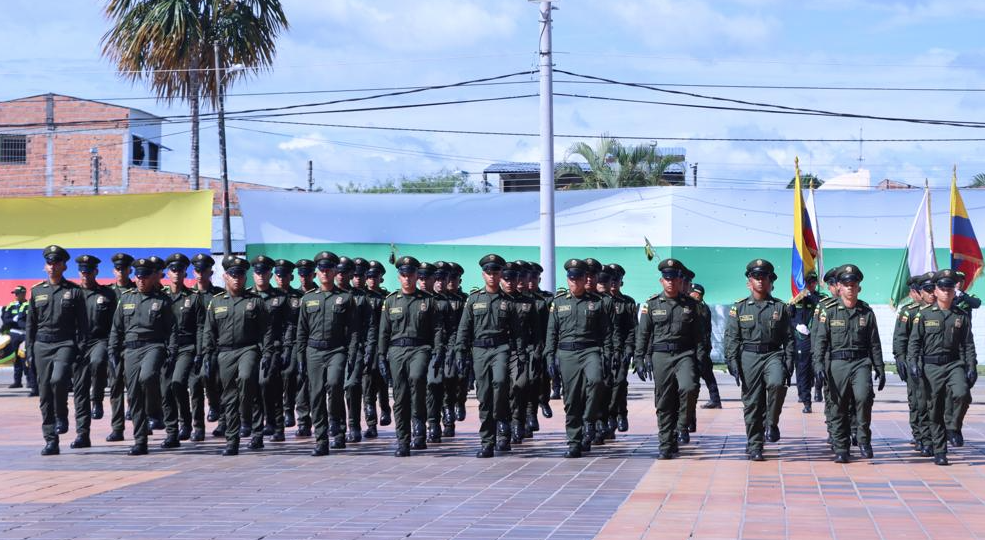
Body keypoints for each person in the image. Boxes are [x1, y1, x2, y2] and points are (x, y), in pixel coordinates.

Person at [201, 255, 275, 456]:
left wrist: (267, 353)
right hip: (225, 353)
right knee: (230, 397)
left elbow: (267, 330)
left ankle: (253, 428)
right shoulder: (217, 302)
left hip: (248, 349)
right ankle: (232, 441)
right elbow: (209, 331)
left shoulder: (255, 301)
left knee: (246, 379)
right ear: (225, 276)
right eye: (233, 275)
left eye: (240, 275)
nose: (237, 279)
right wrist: (207, 355)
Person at [633, 259, 706, 458]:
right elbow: (643, 334)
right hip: (661, 356)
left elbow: (700, 336)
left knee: (689, 387)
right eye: (667, 278)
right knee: (664, 400)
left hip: (684, 354)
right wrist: (639, 358)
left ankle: (682, 426)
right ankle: (666, 443)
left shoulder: (691, 305)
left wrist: (700, 358)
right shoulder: (652, 304)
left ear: (680, 280)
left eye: (674, 278)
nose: (671, 282)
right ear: (661, 281)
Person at [723, 259, 794, 461]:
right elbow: (731, 337)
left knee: (777, 383)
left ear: (770, 281)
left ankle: (771, 423)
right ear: (749, 282)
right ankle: (755, 444)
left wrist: (789, 362)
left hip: (773, 354)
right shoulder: (739, 308)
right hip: (749, 357)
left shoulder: (780, 307)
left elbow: (789, 338)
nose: (760, 281)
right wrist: (732, 361)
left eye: (764, 277)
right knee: (752, 403)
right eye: (756, 277)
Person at [813, 265, 884, 462]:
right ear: (839, 287)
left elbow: (874, 343)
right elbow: (820, 341)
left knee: (863, 398)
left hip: (861, 362)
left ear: (859, 287)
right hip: (837, 363)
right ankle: (841, 446)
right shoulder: (829, 311)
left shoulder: (866, 312)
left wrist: (879, 367)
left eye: (853, 284)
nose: (850, 288)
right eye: (846, 284)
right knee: (838, 406)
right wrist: (818, 365)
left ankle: (863, 439)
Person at [544, 259, 615, 458]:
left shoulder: (597, 302)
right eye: (571, 278)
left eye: (578, 278)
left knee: (597, 381)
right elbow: (551, 333)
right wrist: (550, 357)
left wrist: (607, 355)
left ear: (585, 279)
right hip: (567, 354)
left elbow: (606, 333)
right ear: (568, 279)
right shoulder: (558, 303)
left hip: (590, 350)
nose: (574, 282)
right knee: (572, 398)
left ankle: (589, 419)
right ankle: (574, 442)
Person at [108, 257, 178, 456]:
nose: (141, 280)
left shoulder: (162, 300)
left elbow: (172, 329)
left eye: (145, 277)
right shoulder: (126, 299)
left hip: (153, 346)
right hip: (130, 350)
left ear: (152, 277)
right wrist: (113, 351)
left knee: (147, 377)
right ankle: (140, 441)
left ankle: (154, 410)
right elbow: (116, 328)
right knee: (134, 395)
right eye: (138, 277)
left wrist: (172, 352)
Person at [907, 268, 977, 466]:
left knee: (963, 394)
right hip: (931, 367)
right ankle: (940, 450)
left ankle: (953, 426)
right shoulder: (924, 314)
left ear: (954, 292)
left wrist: (971, 366)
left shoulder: (960, 315)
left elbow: (968, 344)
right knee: (934, 408)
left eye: (950, 289)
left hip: (954, 364)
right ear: (936, 291)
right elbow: (914, 343)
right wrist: (913, 363)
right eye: (943, 289)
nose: (946, 292)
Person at [378, 256, 445, 456]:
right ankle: (403, 440)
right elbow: (384, 331)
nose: (407, 278)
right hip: (396, 351)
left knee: (417, 380)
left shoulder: (428, 301)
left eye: (411, 275)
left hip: (420, 349)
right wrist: (381, 356)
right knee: (400, 397)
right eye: (404, 275)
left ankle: (419, 428)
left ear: (416, 276)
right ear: (399, 277)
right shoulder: (390, 301)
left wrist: (438, 350)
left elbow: (437, 329)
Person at [296, 251, 361, 455]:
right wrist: (300, 357)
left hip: (336, 350)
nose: (324, 273)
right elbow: (301, 331)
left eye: (328, 269)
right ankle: (321, 440)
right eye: (321, 269)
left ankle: (338, 429)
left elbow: (354, 330)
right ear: (317, 272)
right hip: (313, 351)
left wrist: (352, 354)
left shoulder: (346, 298)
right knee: (316, 395)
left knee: (334, 385)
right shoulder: (308, 298)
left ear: (334, 272)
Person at [27, 245, 88, 456]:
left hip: (65, 343)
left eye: (56, 263)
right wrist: (29, 350)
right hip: (41, 345)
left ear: (64, 266)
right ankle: (51, 440)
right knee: (44, 393)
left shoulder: (74, 291)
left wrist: (81, 347)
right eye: (49, 263)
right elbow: (31, 324)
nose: (52, 266)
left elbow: (83, 324)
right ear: (45, 266)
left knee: (59, 379)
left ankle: (62, 414)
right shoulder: (37, 291)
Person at [456, 255, 518, 457]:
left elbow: (517, 332)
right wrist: (460, 352)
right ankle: (487, 442)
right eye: (489, 273)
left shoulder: (508, 301)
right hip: (480, 351)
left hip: (501, 349)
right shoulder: (474, 299)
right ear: (483, 274)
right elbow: (464, 328)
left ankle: (502, 419)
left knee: (500, 383)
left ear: (500, 275)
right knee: (484, 397)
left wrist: (521, 355)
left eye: (495, 272)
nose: (492, 276)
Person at [157, 253, 204, 448]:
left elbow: (200, 327)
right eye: (173, 270)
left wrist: (200, 352)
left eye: (180, 270)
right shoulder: (161, 297)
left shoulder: (193, 298)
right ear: (168, 273)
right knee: (165, 388)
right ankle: (172, 432)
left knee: (178, 383)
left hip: (186, 347)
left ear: (185, 273)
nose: (176, 273)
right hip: (166, 349)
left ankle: (188, 422)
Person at [73, 255, 116, 449]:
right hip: (78, 343)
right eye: (82, 272)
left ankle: (97, 399)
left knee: (98, 362)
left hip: (100, 340)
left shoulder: (107, 294)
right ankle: (82, 434)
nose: (85, 275)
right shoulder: (73, 293)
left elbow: (115, 323)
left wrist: (113, 345)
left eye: (89, 272)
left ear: (96, 272)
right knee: (80, 387)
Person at [249, 255, 291, 443]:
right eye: (257, 272)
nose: (261, 276)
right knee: (253, 386)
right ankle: (257, 432)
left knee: (267, 383)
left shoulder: (280, 298)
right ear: (253, 275)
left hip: (274, 347)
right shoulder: (247, 297)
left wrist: (287, 348)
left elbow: (289, 325)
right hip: (252, 347)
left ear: (270, 274)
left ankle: (277, 425)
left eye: (264, 272)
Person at [333, 256, 373, 444]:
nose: (341, 276)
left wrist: (370, 349)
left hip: (356, 348)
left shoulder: (361, 298)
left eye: (345, 272)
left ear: (350, 274)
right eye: (338, 272)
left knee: (351, 385)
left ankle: (354, 425)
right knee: (335, 387)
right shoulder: (329, 296)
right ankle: (339, 428)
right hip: (334, 349)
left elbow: (371, 326)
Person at [501, 261, 540, 445]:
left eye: (514, 278)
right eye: (506, 278)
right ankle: (504, 423)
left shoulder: (528, 302)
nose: (510, 282)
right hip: (499, 350)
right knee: (502, 388)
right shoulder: (495, 300)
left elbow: (537, 330)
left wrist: (537, 352)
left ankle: (518, 419)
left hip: (521, 350)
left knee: (520, 385)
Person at [188, 253, 224, 442]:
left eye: (204, 270)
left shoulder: (218, 295)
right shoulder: (188, 295)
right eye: (197, 270)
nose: (200, 274)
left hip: (216, 345)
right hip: (193, 347)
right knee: (195, 386)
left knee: (218, 382)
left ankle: (222, 420)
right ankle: (198, 427)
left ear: (211, 272)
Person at [945, 270, 980, 446]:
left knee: (963, 393)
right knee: (944, 394)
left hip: (963, 347)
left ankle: (954, 425)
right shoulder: (946, 299)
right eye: (955, 281)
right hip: (945, 349)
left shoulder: (966, 298)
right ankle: (946, 428)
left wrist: (961, 295)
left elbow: (976, 303)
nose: (958, 284)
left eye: (960, 281)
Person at [104, 253, 135, 442]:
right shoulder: (107, 293)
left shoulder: (138, 289)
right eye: (118, 269)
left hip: (134, 344)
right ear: (113, 271)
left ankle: (140, 423)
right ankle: (117, 428)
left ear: (129, 270)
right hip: (114, 344)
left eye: (124, 268)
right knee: (115, 386)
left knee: (135, 386)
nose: (121, 272)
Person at [361, 259, 392, 437]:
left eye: (375, 276)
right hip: (365, 345)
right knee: (368, 383)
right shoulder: (360, 297)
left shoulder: (387, 298)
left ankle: (385, 408)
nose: (372, 280)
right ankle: (371, 423)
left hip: (383, 345)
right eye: (369, 276)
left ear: (381, 278)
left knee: (382, 380)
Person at [273, 259, 304, 433]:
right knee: (271, 380)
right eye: (278, 275)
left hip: (293, 342)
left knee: (290, 373)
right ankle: (277, 423)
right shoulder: (270, 296)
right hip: (274, 343)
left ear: (291, 277)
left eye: (284, 275)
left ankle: (289, 409)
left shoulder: (299, 297)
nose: (281, 278)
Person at [788, 271, 822, 413]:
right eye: (808, 282)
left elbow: (820, 307)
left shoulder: (820, 299)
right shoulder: (795, 299)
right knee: (802, 369)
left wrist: (810, 296)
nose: (811, 284)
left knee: (817, 368)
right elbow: (789, 317)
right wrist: (797, 325)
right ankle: (805, 400)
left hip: (817, 338)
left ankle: (818, 390)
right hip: (802, 339)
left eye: (813, 282)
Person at [292, 258, 318, 438]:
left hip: (316, 344)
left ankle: (321, 420)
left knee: (318, 385)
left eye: (307, 274)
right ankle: (303, 421)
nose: (303, 277)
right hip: (297, 344)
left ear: (313, 275)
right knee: (301, 383)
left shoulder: (319, 293)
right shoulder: (292, 296)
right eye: (300, 274)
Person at [688, 283, 721, 410]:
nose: (689, 294)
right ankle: (715, 399)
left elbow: (701, 333)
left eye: (692, 293)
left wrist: (701, 352)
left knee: (703, 373)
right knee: (706, 374)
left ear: (697, 294)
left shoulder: (701, 308)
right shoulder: (699, 306)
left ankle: (714, 400)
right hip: (699, 347)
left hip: (700, 347)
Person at [4, 286, 33, 392]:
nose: (16, 296)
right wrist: (15, 320)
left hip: (25, 334)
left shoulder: (29, 304)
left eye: (18, 293)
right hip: (15, 334)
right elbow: (6, 320)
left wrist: (18, 321)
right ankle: (17, 381)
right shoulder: (11, 305)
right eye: (15, 294)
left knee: (26, 358)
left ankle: (30, 380)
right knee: (16, 358)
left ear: (23, 294)